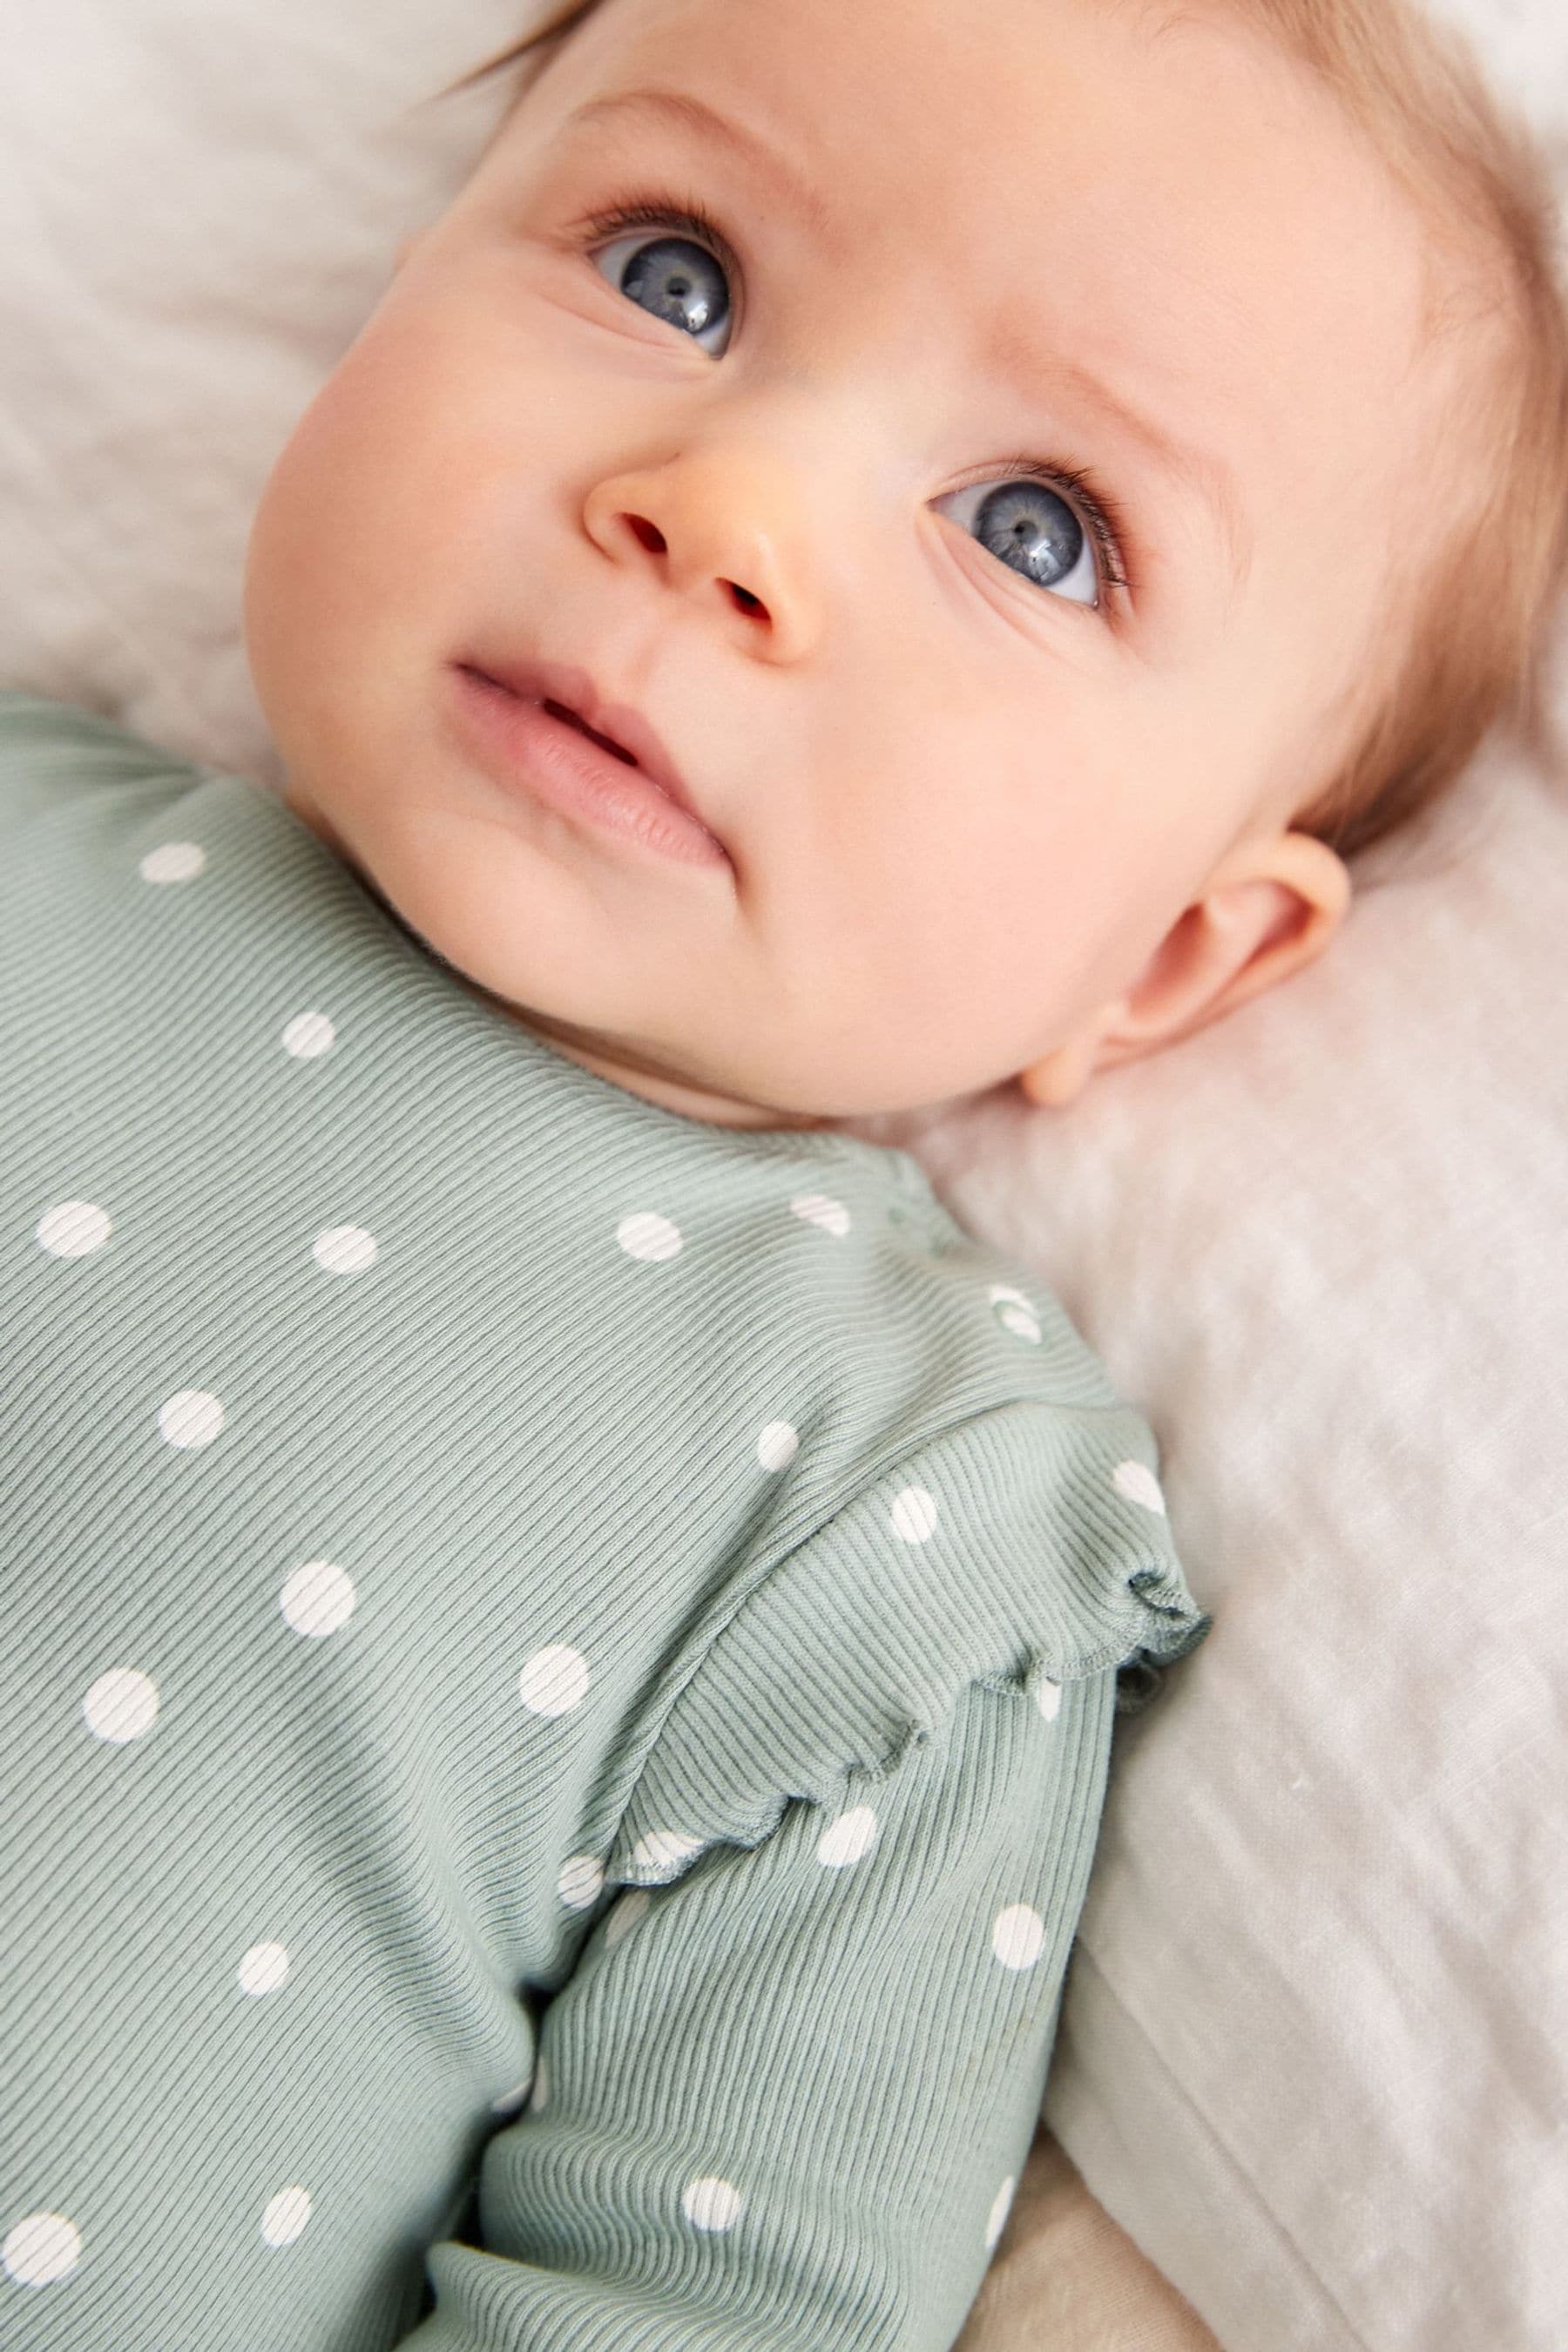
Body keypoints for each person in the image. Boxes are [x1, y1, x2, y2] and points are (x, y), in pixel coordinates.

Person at [1, 0, 1563, 2345]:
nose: (730, 508)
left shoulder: (891, 1512)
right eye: (671, 273)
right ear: (401, 282)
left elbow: (711, 2296)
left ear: (1167, 958)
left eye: (1037, 532)